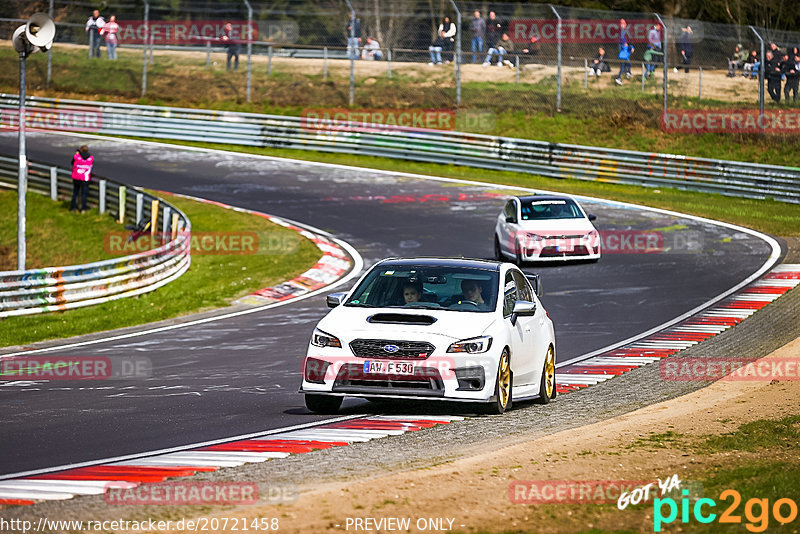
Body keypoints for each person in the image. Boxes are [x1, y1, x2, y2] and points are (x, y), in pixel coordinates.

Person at [70, 146, 93, 213]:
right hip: (85, 178)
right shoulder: (91, 158)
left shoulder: (76, 157)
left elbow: (72, 163)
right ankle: (83, 209)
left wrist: (77, 154)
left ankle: (73, 208)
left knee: (75, 193)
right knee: (84, 194)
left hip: (76, 177)